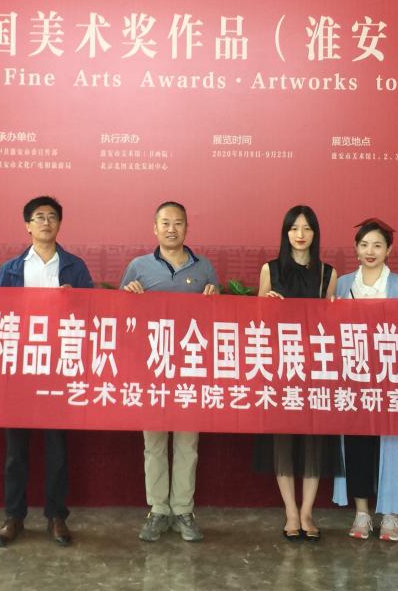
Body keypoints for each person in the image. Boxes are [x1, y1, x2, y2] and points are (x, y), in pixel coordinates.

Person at [0, 196, 93, 548]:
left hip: (59, 366)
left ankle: (56, 515)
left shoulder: (75, 267)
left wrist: (76, 300)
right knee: (15, 450)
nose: (46, 222)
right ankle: (13, 516)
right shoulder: (10, 269)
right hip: (20, 366)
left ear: (59, 224)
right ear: (27, 225)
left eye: (52, 217)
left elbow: (93, 314)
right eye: (39, 217)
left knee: (57, 447)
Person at [121, 201, 219, 542]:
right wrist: (129, 295)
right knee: (154, 443)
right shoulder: (138, 267)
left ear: (187, 228)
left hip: (191, 368)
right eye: (165, 223)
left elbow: (217, 321)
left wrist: (215, 298)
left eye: (178, 223)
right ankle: (158, 510)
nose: (171, 229)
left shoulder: (204, 268)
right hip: (152, 368)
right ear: (155, 228)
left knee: (188, 443)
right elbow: (120, 318)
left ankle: (183, 510)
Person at [255, 206, 339, 541]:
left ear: (315, 233)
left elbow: (332, 325)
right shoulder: (270, 269)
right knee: (283, 442)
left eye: (307, 228)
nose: (300, 234)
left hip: (315, 367)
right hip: (280, 366)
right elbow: (256, 322)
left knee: (314, 442)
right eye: (294, 228)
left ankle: (307, 512)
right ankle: (291, 512)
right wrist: (266, 305)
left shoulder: (327, 273)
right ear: (285, 232)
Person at [332, 218, 398, 542]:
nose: (370, 251)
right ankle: (362, 512)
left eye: (378, 245)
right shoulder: (342, 285)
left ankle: (391, 514)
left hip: (391, 379)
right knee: (357, 445)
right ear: (355, 249)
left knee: (392, 444)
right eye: (364, 244)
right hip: (353, 379)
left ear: (389, 250)